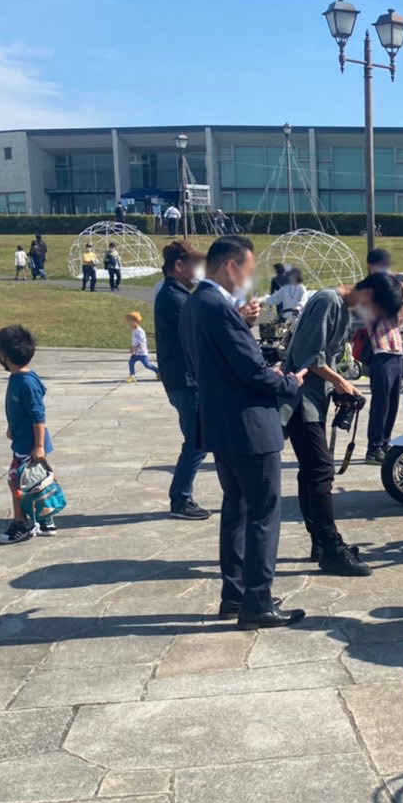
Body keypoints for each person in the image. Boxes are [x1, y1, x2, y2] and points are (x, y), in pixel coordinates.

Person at [182, 235, 305, 629]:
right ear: (231, 266)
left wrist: (244, 324)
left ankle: (236, 595)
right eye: (248, 272)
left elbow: (213, 361)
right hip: (250, 427)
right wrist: (289, 382)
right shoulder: (217, 308)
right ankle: (258, 602)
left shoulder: (196, 304)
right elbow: (252, 372)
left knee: (236, 510)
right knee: (264, 514)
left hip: (221, 424)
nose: (249, 281)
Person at [282, 282, 372, 576]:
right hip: (300, 401)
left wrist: (338, 388)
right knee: (321, 471)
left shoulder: (340, 307)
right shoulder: (328, 301)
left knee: (311, 471)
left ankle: (320, 543)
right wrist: (339, 381)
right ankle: (331, 547)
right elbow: (308, 355)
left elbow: (326, 360)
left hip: (312, 400)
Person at [155, 240, 211, 521]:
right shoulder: (174, 298)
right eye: (196, 263)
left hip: (186, 379)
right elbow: (202, 330)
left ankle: (182, 496)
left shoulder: (178, 294)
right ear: (179, 266)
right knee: (197, 441)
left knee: (200, 439)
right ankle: (180, 499)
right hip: (185, 381)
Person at [0, 324, 54, 544]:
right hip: (24, 439)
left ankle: (22, 524)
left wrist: (38, 446)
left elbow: (38, 415)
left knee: (16, 482)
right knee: (37, 481)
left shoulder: (26, 383)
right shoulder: (21, 377)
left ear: (4, 355)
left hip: (29, 445)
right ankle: (46, 520)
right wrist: (12, 425)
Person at [360, 272, 403, 465]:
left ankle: (385, 442)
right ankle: (374, 448)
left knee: (393, 403)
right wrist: (397, 297)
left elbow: (401, 319)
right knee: (381, 404)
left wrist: (402, 298)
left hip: (395, 353)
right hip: (381, 353)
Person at [126, 311, 158, 382]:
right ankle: (132, 375)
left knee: (147, 365)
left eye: (130, 321)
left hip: (141, 352)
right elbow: (135, 341)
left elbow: (141, 342)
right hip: (135, 353)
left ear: (136, 321)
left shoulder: (140, 331)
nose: (129, 323)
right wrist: (133, 348)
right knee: (131, 362)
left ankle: (158, 371)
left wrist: (135, 348)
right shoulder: (134, 330)